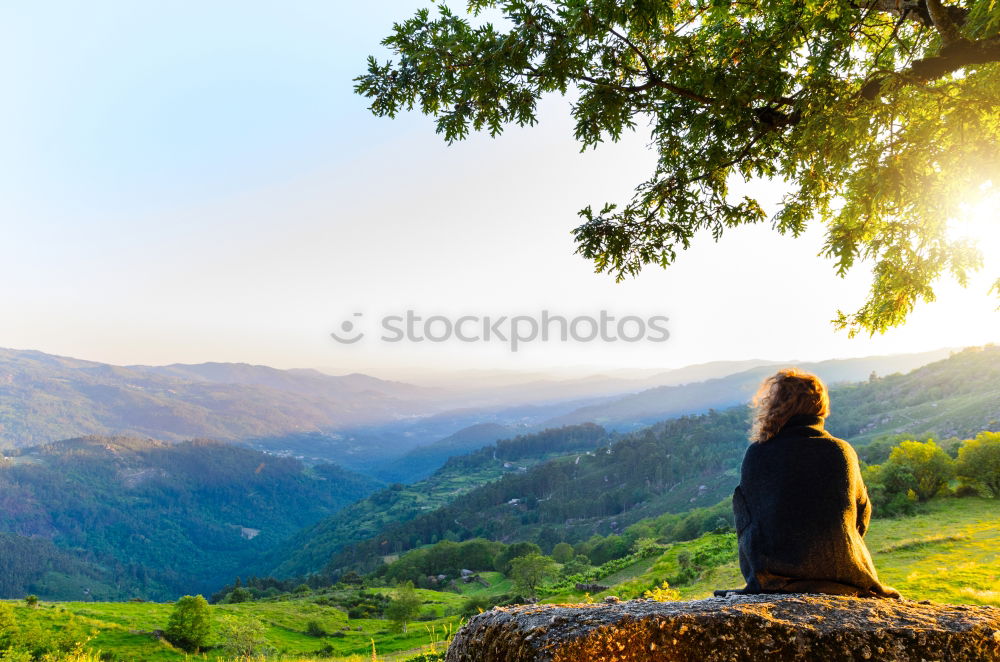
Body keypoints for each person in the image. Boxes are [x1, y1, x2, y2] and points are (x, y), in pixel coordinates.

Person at [715, 369, 899, 598]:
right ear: (820, 406)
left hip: (773, 579)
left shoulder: (759, 453)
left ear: (774, 406)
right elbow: (862, 516)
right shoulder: (841, 451)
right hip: (847, 577)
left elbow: (747, 520)